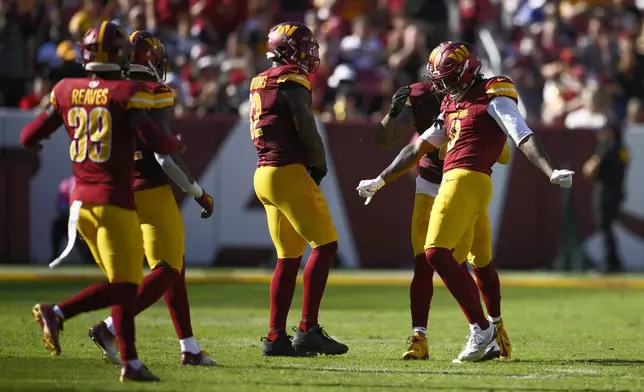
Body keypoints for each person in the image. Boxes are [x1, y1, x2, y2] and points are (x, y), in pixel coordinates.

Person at [357, 41, 574, 362]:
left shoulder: (493, 93)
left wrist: (549, 169)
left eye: (447, 78)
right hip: (463, 184)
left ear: (465, 71)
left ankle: (482, 329)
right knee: (479, 260)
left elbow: (522, 134)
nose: (442, 85)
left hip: (465, 178)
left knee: (435, 253)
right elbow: (418, 148)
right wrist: (381, 178)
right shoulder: (451, 104)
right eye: (439, 79)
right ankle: (494, 331)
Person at [20, 21, 184, 382]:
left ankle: (132, 364)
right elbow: (154, 139)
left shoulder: (65, 88)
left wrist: (37, 140)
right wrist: (175, 144)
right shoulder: (126, 91)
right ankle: (58, 312)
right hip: (113, 202)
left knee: (122, 283)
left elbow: (29, 134)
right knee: (125, 287)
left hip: (80, 205)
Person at [87, 30, 217, 367]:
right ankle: (111, 327)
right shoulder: (155, 91)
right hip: (153, 191)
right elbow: (164, 157)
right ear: (153, 62)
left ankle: (189, 347)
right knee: (168, 268)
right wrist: (198, 192)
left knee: (176, 269)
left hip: (120, 191)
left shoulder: (111, 92)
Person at [374, 69, 513, 361]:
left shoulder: (480, 99)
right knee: (427, 260)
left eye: (449, 79)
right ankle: (419, 337)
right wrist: (392, 113)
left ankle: (493, 328)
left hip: (466, 185)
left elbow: (504, 154)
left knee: (480, 261)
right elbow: (388, 141)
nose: (445, 86)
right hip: (432, 185)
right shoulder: (422, 95)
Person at [250, 22, 347, 357]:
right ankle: (308, 329)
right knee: (326, 245)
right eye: (303, 47)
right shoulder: (290, 77)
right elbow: (304, 122)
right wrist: (318, 163)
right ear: (287, 49)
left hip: (264, 173)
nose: (309, 55)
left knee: (288, 258)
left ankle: (276, 336)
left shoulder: (259, 79)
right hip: (287, 171)